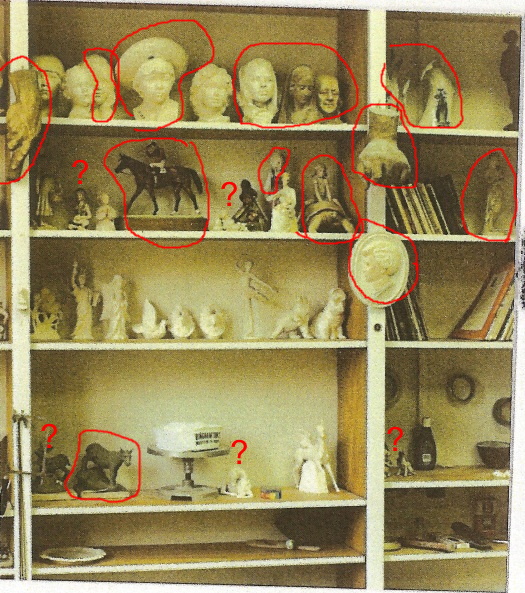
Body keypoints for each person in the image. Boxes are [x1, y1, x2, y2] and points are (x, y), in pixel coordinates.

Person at [119, 37, 188, 123]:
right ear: (138, 86)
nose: (159, 86)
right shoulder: (134, 113)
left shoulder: (180, 110)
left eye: (165, 78)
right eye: (151, 79)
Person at [238, 58, 278, 125]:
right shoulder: (244, 113)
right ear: (245, 84)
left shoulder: (274, 113)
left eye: (269, 80)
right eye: (256, 80)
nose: (263, 84)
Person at [71, 261, 98, 340]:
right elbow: (72, 282)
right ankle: (79, 334)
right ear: (78, 279)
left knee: (88, 321)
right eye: (80, 279)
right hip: (81, 307)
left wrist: (96, 297)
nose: (82, 280)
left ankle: (86, 334)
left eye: (83, 279)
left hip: (87, 307)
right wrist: (74, 270)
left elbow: (93, 297)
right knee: (81, 320)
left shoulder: (88, 289)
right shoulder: (77, 288)